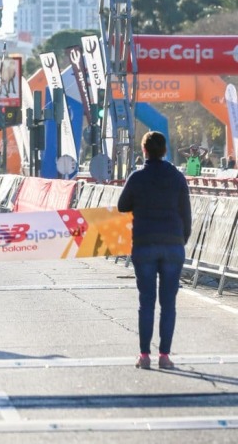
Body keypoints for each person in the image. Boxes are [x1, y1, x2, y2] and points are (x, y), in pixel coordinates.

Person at [117, 131, 192, 371]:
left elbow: (121, 206)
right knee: (168, 304)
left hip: (145, 244)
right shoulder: (177, 177)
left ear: (144, 151)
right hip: (172, 244)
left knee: (146, 302)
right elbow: (186, 215)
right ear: (165, 151)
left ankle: (144, 355)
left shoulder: (137, 177)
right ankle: (165, 355)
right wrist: (181, 240)